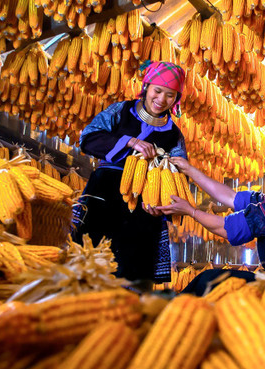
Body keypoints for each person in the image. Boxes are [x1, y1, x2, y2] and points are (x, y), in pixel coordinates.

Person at [152, 134, 265, 292]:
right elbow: (231, 198)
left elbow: (228, 229)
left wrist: (190, 211)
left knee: (208, 282)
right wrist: (189, 170)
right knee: (209, 281)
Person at [74, 60, 187, 283]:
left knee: (133, 271)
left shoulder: (174, 134)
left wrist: (163, 208)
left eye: (170, 95)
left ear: (177, 98)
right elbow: (87, 138)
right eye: (158, 90)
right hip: (103, 196)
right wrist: (129, 142)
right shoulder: (120, 111)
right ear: (146, 87)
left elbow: (179, 173)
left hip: (143, 206)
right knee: (88, 261)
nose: (162, 99)